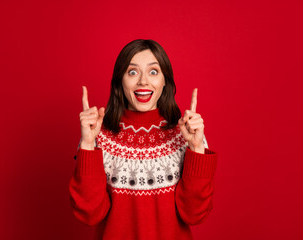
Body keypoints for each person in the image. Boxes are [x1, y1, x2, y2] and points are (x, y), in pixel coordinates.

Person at [69, 39, 218, 240]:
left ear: (165, 80)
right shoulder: (97, 135)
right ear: (120, 81)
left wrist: (197, 148)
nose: (143, 82)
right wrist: (87, 144)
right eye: (132, 72)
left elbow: (195, 214)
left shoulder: (187, 134)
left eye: (153, 72)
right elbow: (89, 214)